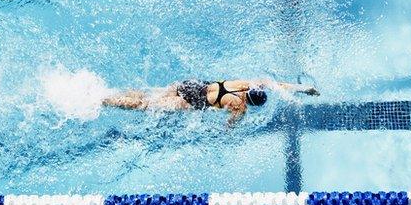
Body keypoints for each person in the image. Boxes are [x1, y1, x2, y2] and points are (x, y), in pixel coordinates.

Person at [102, 78, 319, 126]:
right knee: (146, 106)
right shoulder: (240, 107)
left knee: (147, 96)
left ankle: (110, 92)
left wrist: (303, 89)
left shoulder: (246, 82)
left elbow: (277, 84)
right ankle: (105, 100)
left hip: (190, 85)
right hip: (191, 102)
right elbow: (228, 127)